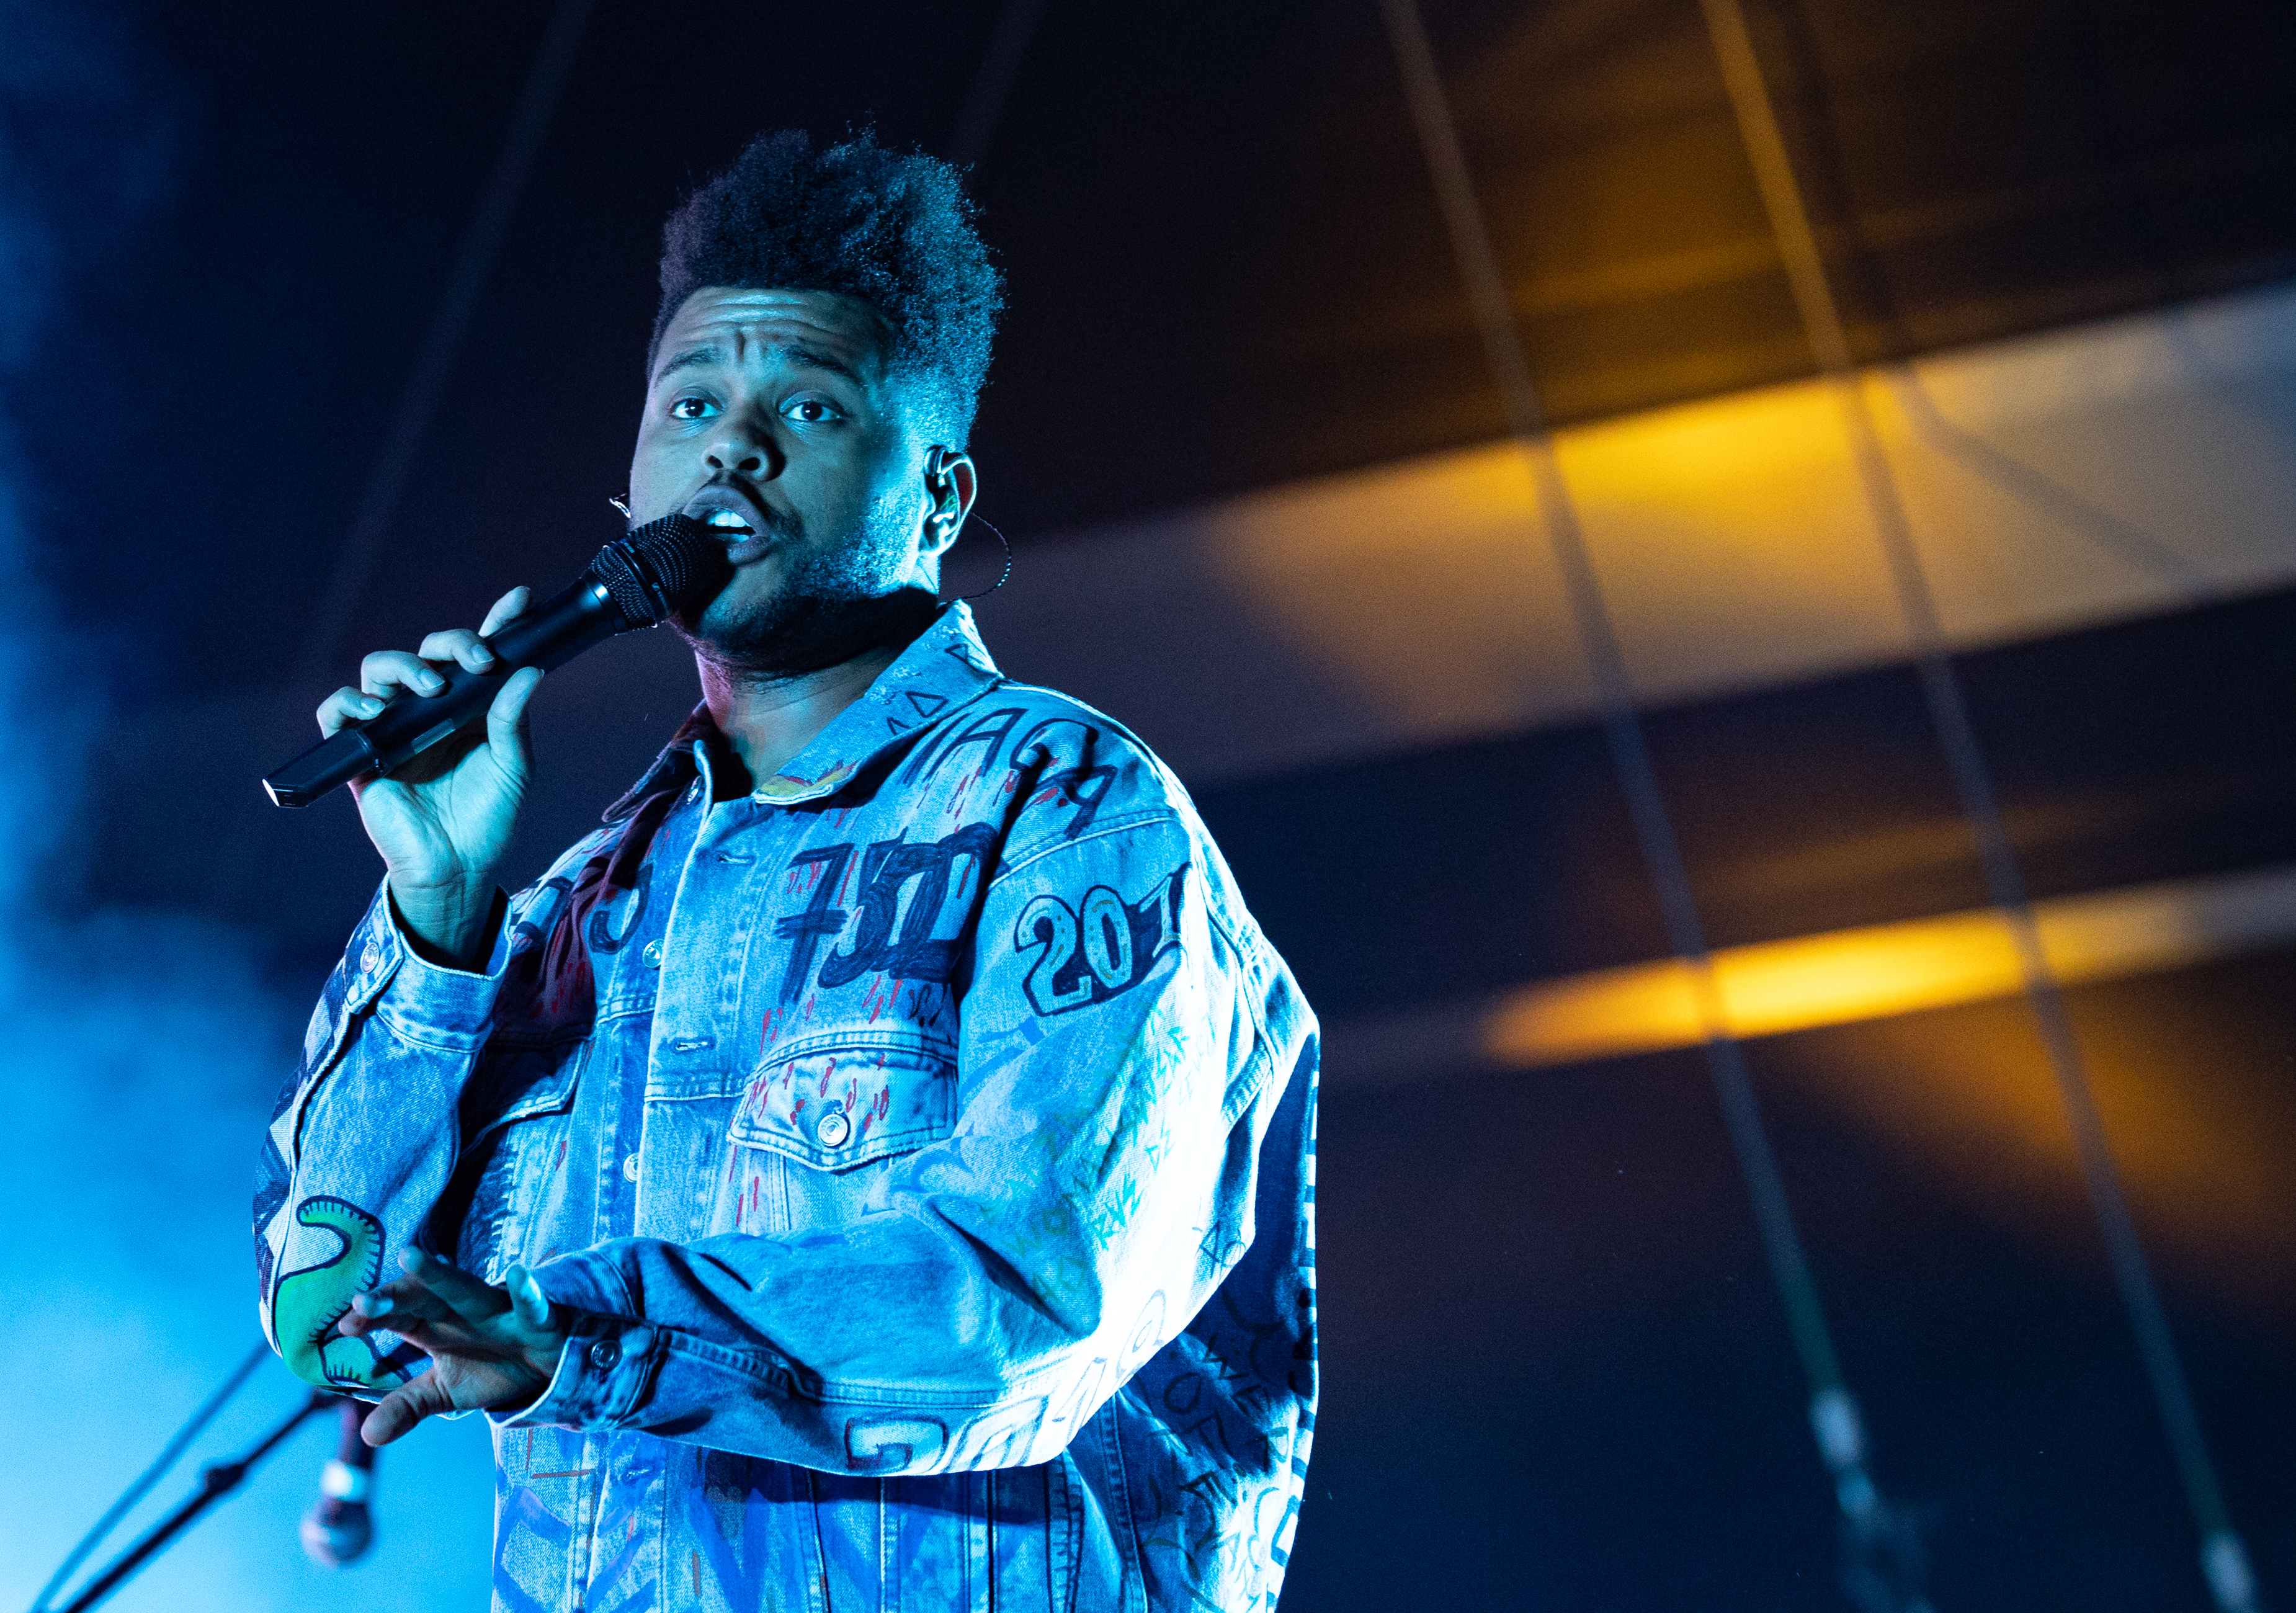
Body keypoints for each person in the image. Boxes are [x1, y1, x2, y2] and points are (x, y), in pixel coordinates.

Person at [254, 130, 1318, 1612]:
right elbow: (336, 1325)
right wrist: (438, 917)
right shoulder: (578, 908)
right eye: (692, 402)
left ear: (937, 500)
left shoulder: (1066, 809)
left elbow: (1034, 1290)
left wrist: (586, 1339)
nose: (731, 448)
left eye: (806, 406)